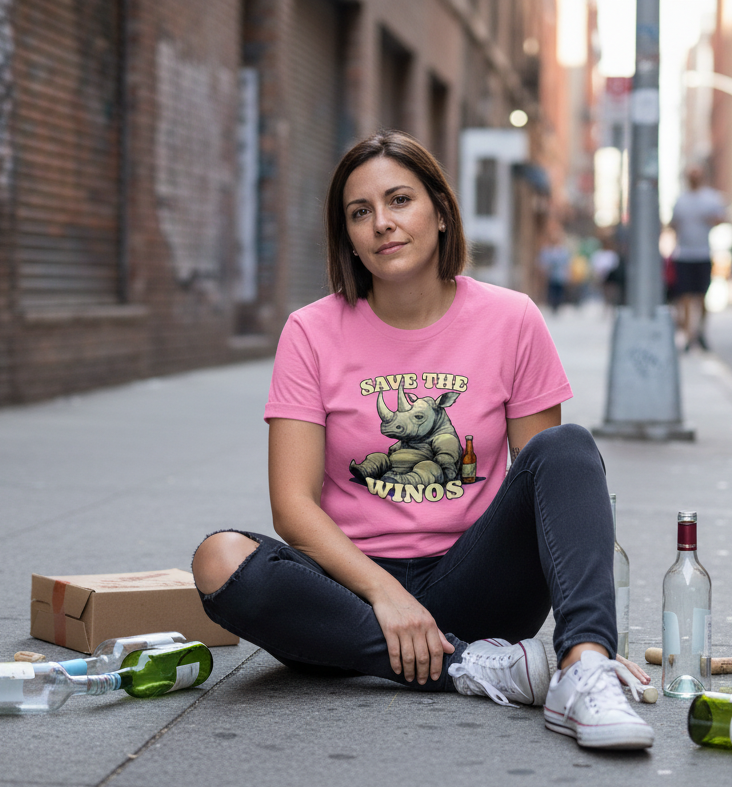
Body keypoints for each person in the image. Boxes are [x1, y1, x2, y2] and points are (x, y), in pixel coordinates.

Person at [191, 131, 654, 750]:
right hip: (352, 596)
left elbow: (547, 486)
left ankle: (584, 668)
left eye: (399, 200)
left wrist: (584, 625)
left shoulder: (512, 318)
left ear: (440, 209)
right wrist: (385, 594)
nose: (382, 223)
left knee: (567, 446)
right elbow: (293, 507)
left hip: (476, 584)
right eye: (360, 213)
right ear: (348, 236)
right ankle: (467, 666)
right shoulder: (310, 331)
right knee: (218, 559)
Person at [669, 166, 726, 351]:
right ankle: (687, 334)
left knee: (702, 296)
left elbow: (721, 219)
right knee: (684, 297)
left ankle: (700, 330)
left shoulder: (711, 198)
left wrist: (710, 219)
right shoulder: (681, 200)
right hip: (684, 254)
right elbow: (673, 224)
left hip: (703, 253)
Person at [537, 231, 571, 311]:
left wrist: (567, 273)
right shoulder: (547, 250)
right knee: (551, 290)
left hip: (560, 275)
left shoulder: (563, 251)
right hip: (550, 275)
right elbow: (542, 261)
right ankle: (552, 304)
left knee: (559, 291)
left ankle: (557, 305)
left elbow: (566, 263)